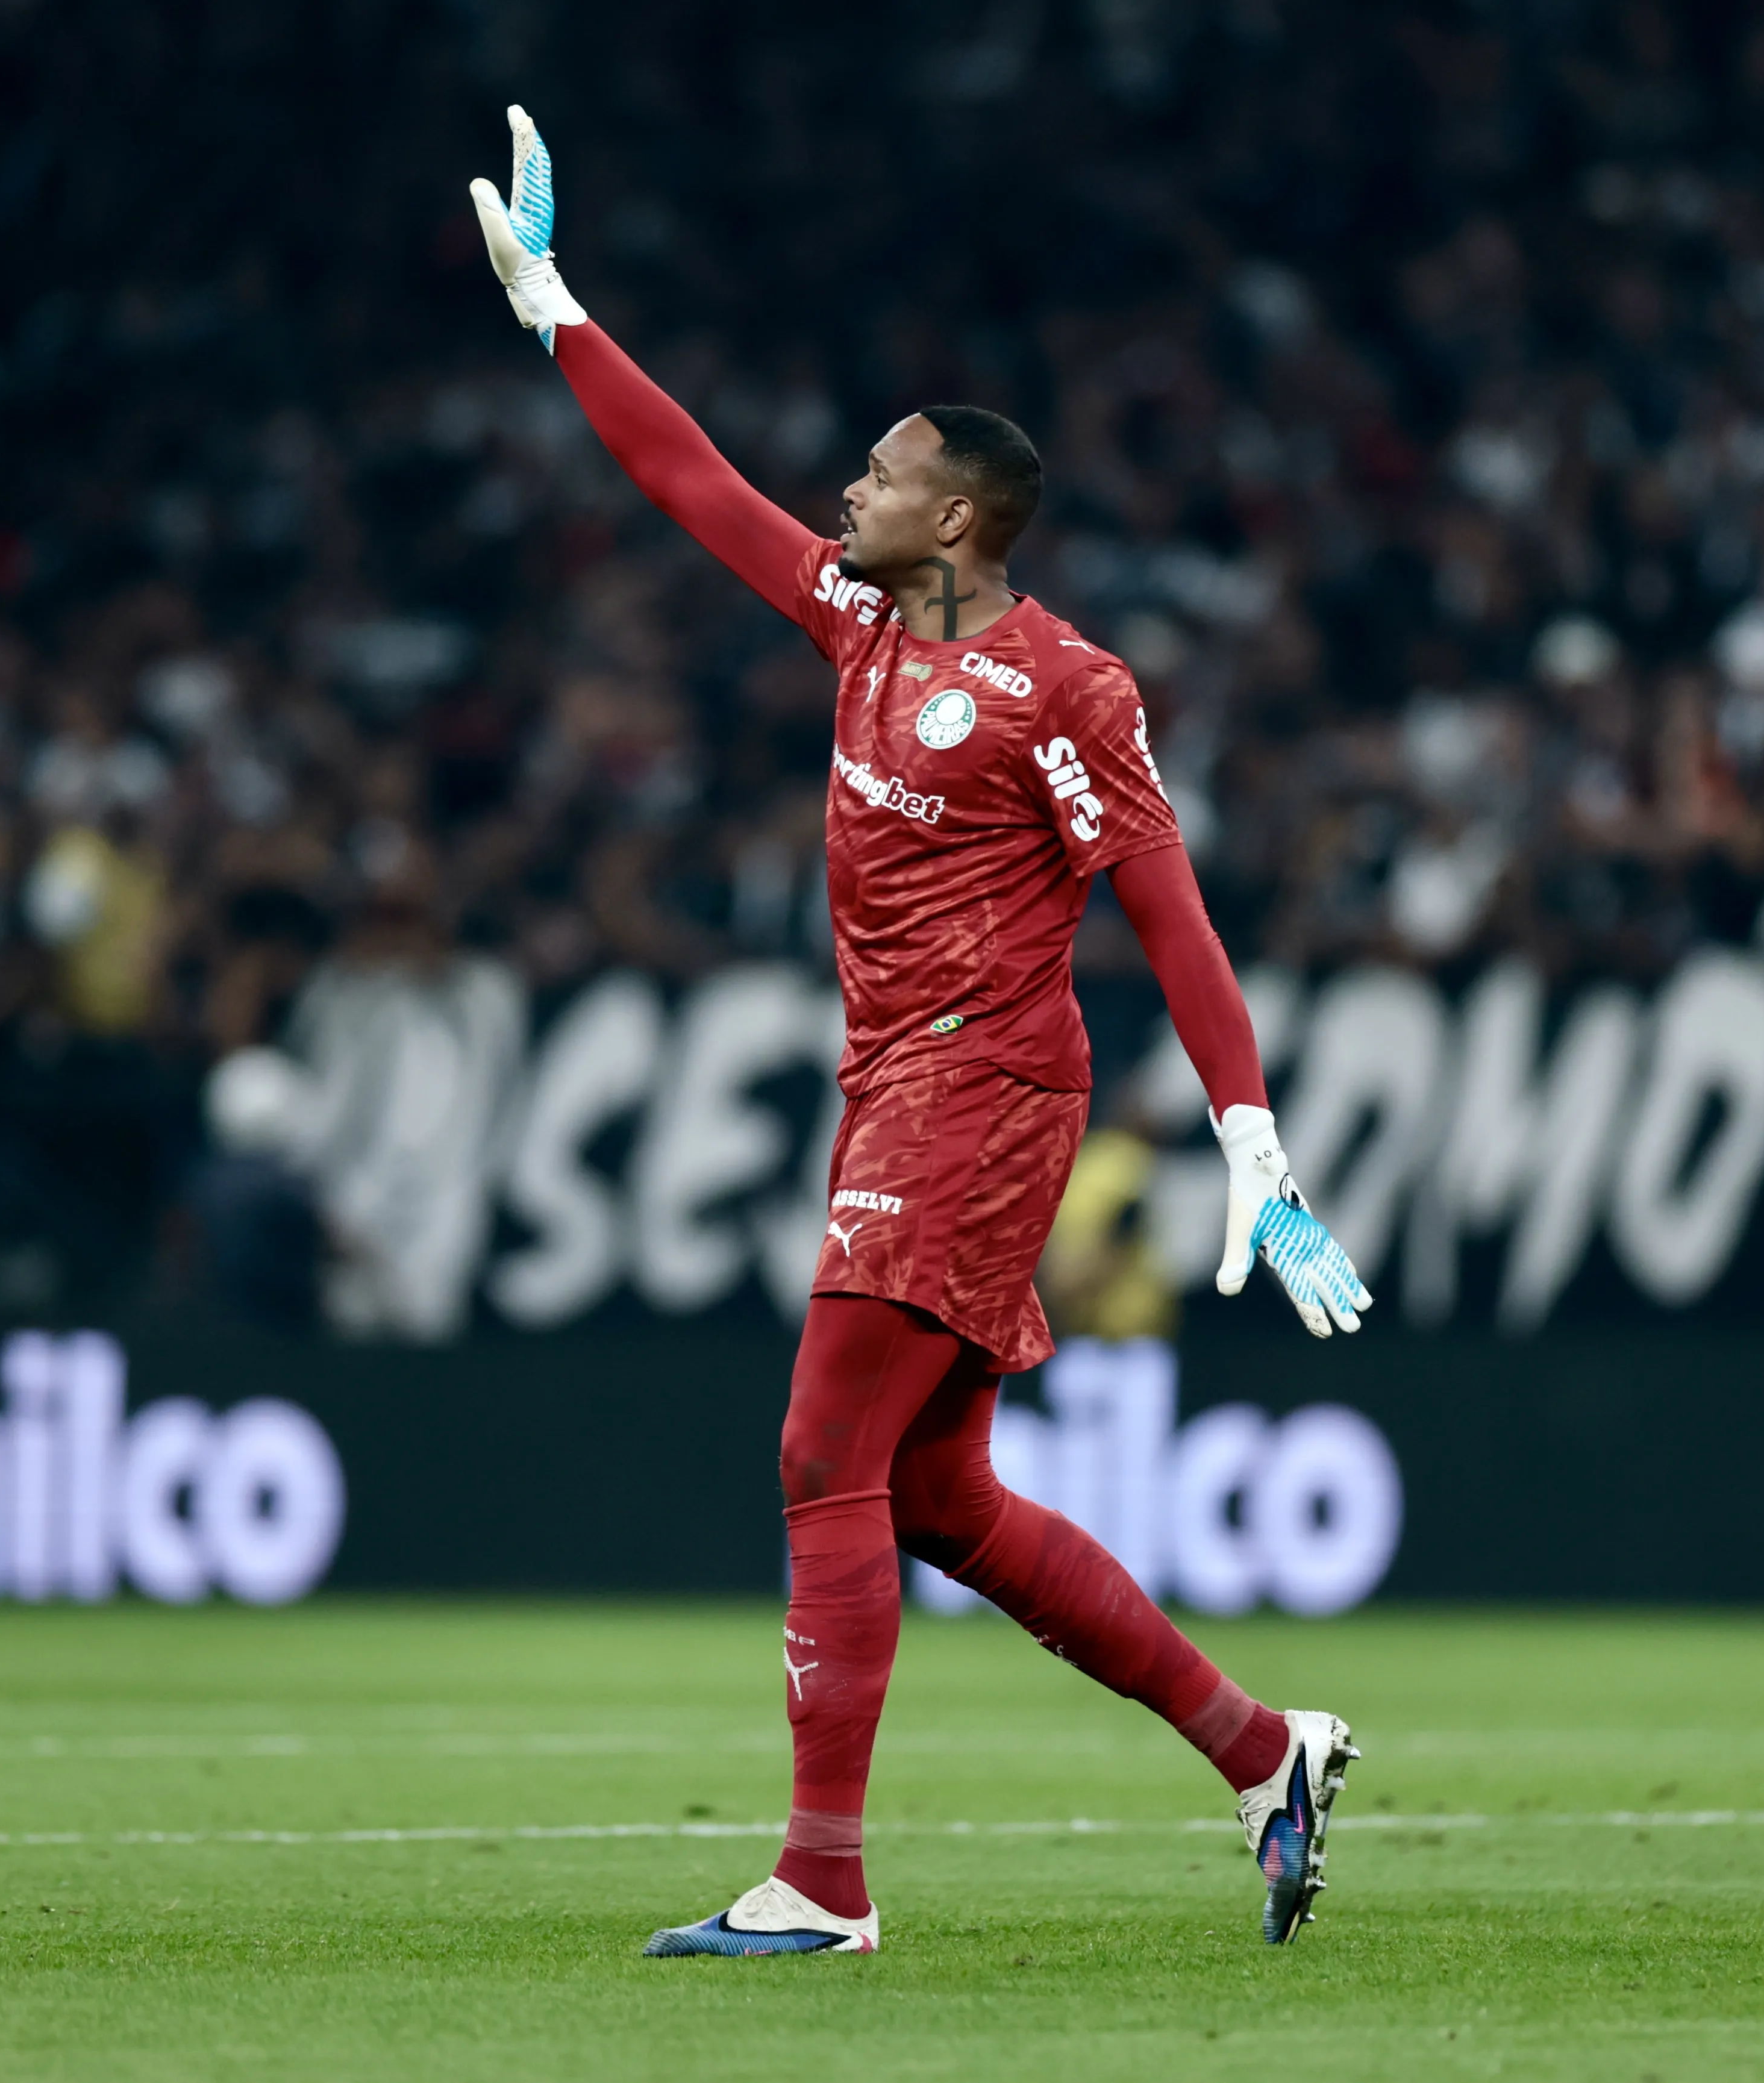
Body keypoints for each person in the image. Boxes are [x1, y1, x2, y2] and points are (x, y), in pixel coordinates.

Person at [469, 108, 1371, 1957]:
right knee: (937, 1494)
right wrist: (555, 305)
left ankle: (821, 1880)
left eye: (879, 474)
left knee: (823, 1452)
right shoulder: (860, 624)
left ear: (956, 516)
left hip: (984, 1079)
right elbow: (690, 479)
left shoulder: (1063, 687)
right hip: (896, 1078)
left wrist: (1253, 1143)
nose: (845, 491)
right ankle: (1262, 1747)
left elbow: (1166, 905)